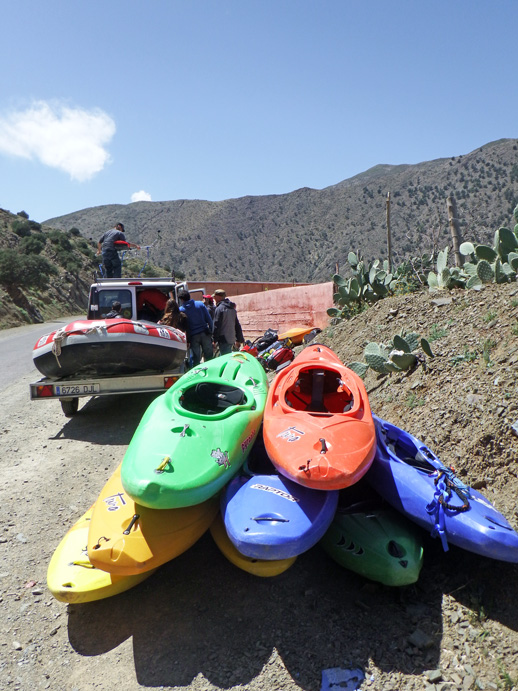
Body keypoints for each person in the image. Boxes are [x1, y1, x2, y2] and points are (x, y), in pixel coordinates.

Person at [177, 289, 213, 366]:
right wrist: (211, 331)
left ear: (181, 299)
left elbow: (182, 326)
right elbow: (209, 319)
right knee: (209, 357)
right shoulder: (200, 304)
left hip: (193, 336)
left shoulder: (181, 310)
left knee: (196, 358)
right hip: (205, 333)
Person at [212, 289, 244, 356]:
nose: (214, 299)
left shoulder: (219, 309)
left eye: (215, 297)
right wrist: (239, 339)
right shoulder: (232, 309)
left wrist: (214, 340)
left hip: (223, 339)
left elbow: (216, 325)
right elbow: (237, 325)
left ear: (219, 297)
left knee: (225, 358)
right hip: (232, 338)